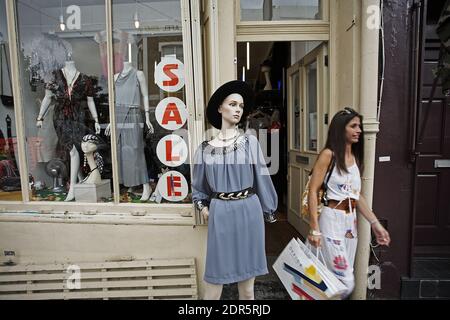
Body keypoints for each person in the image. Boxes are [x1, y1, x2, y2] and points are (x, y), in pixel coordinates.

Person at [192, 80, 278, 300]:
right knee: (214, 285)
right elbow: (199, 188)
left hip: (249, 212)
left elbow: (262, 179)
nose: (238, 109)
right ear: (220, 108)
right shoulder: (204, 150)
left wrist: (268, 209)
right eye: (232, 104)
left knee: (248, 289)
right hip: (219, 213)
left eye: (240, 106)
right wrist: (202, 206)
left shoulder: (250, 143)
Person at [307, 107, 391, 299]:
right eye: (353, 126)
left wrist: (375, 224)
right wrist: (314, 228)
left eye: (359, 126)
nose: (359, 130)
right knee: (346, 281)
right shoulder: (329, 155)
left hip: (350, 225)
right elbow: (313, 190)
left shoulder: (355, 157)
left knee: (331, 279)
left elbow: (357, 196)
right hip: (331, 220)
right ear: (340, 128)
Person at [36, 60, 101, 201]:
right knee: (71, 149)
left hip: (78, 116)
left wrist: (96, 119)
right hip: (60, 117)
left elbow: (90, 101)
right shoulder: (54, 76)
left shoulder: (85, 79)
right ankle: (78, 180)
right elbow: (47, 97)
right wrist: (40, 117)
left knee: (74, 149)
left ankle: (73, 186)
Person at [105, 61, 154, 201]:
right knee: (122, 151)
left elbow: (145, 96)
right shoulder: (115, 77)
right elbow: (112, 101)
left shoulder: (138, 74)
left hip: (133, 113)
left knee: (135, 150)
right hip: (119, 115)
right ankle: (131, 184)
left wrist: (147, 118)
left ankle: (146, 186)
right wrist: (111, 121)